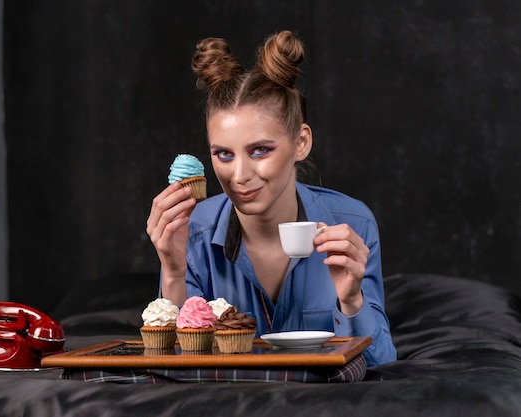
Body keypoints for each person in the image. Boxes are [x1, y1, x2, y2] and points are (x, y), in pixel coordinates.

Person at [146, 30, 396, 366]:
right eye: (224, 154)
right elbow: (176, 364)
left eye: (260, 150)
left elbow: (381, 362)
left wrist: (352, 300)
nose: (239, 175)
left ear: (301, 143)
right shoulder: (194, 230)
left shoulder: (354, 223)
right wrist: (174, 272)